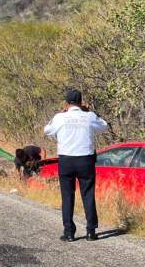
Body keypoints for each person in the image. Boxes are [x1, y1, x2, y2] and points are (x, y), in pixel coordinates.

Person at [44, 88, 108, 242]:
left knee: (67, 196)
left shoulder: (60, 117)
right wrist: (90, 112)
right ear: (81, 102)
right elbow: (104, 126)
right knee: (88, 195)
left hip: (66, 160)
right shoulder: (89, 116)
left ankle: (69, 233)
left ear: (66, 103)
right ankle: (91, 231)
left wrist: (61, 114)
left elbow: (47, 130)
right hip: (85, 160)